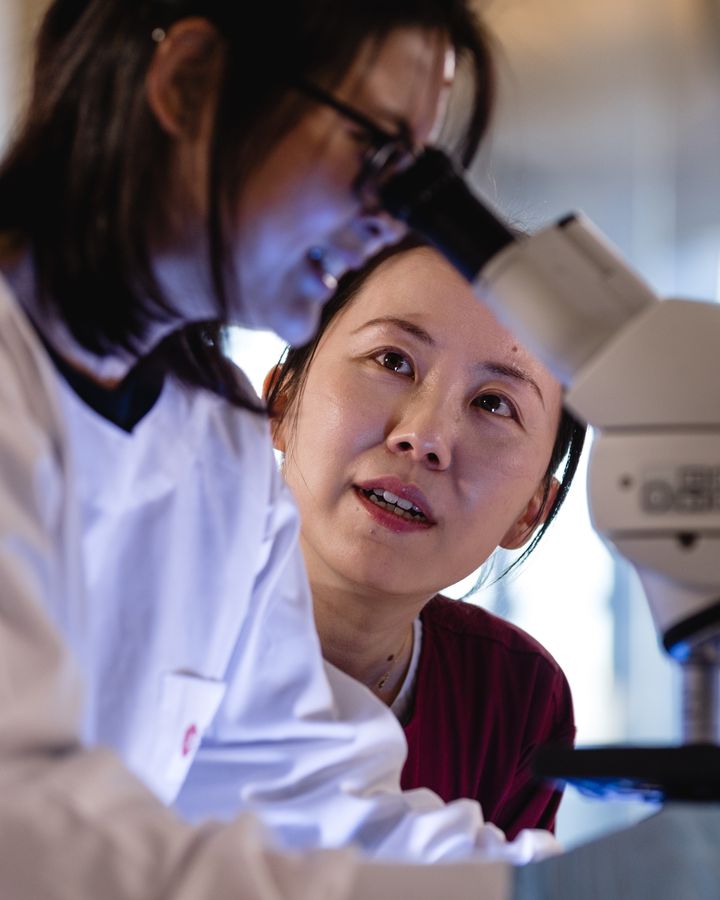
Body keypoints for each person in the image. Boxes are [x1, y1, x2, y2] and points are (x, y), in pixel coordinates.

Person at [2, 2, 720, 898]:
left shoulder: (209, 437)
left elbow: (312, 788)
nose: (385, 219)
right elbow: (31, 841)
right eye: (376, 153)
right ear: (189, 83)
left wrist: (558, 880)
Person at [265, 237, 584, 840]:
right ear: (280, 402)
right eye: (392, 361)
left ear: (530, 510)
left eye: (494, 404)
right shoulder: (139, 609)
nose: (425, 436)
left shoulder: (515, 699)